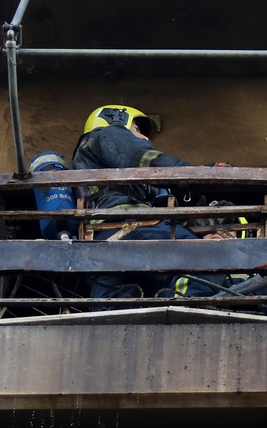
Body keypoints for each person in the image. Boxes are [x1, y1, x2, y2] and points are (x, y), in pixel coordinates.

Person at [69, 105, 227, 301]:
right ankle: (187, 312)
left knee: (115, 315)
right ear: (115, 120)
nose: (145, 139)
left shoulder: (102, 168)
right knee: (206, 256)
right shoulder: (105, 135)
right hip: (132, 227)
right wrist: (197, 173)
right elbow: (143, 158)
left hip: (103, 245)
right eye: (137, 130)